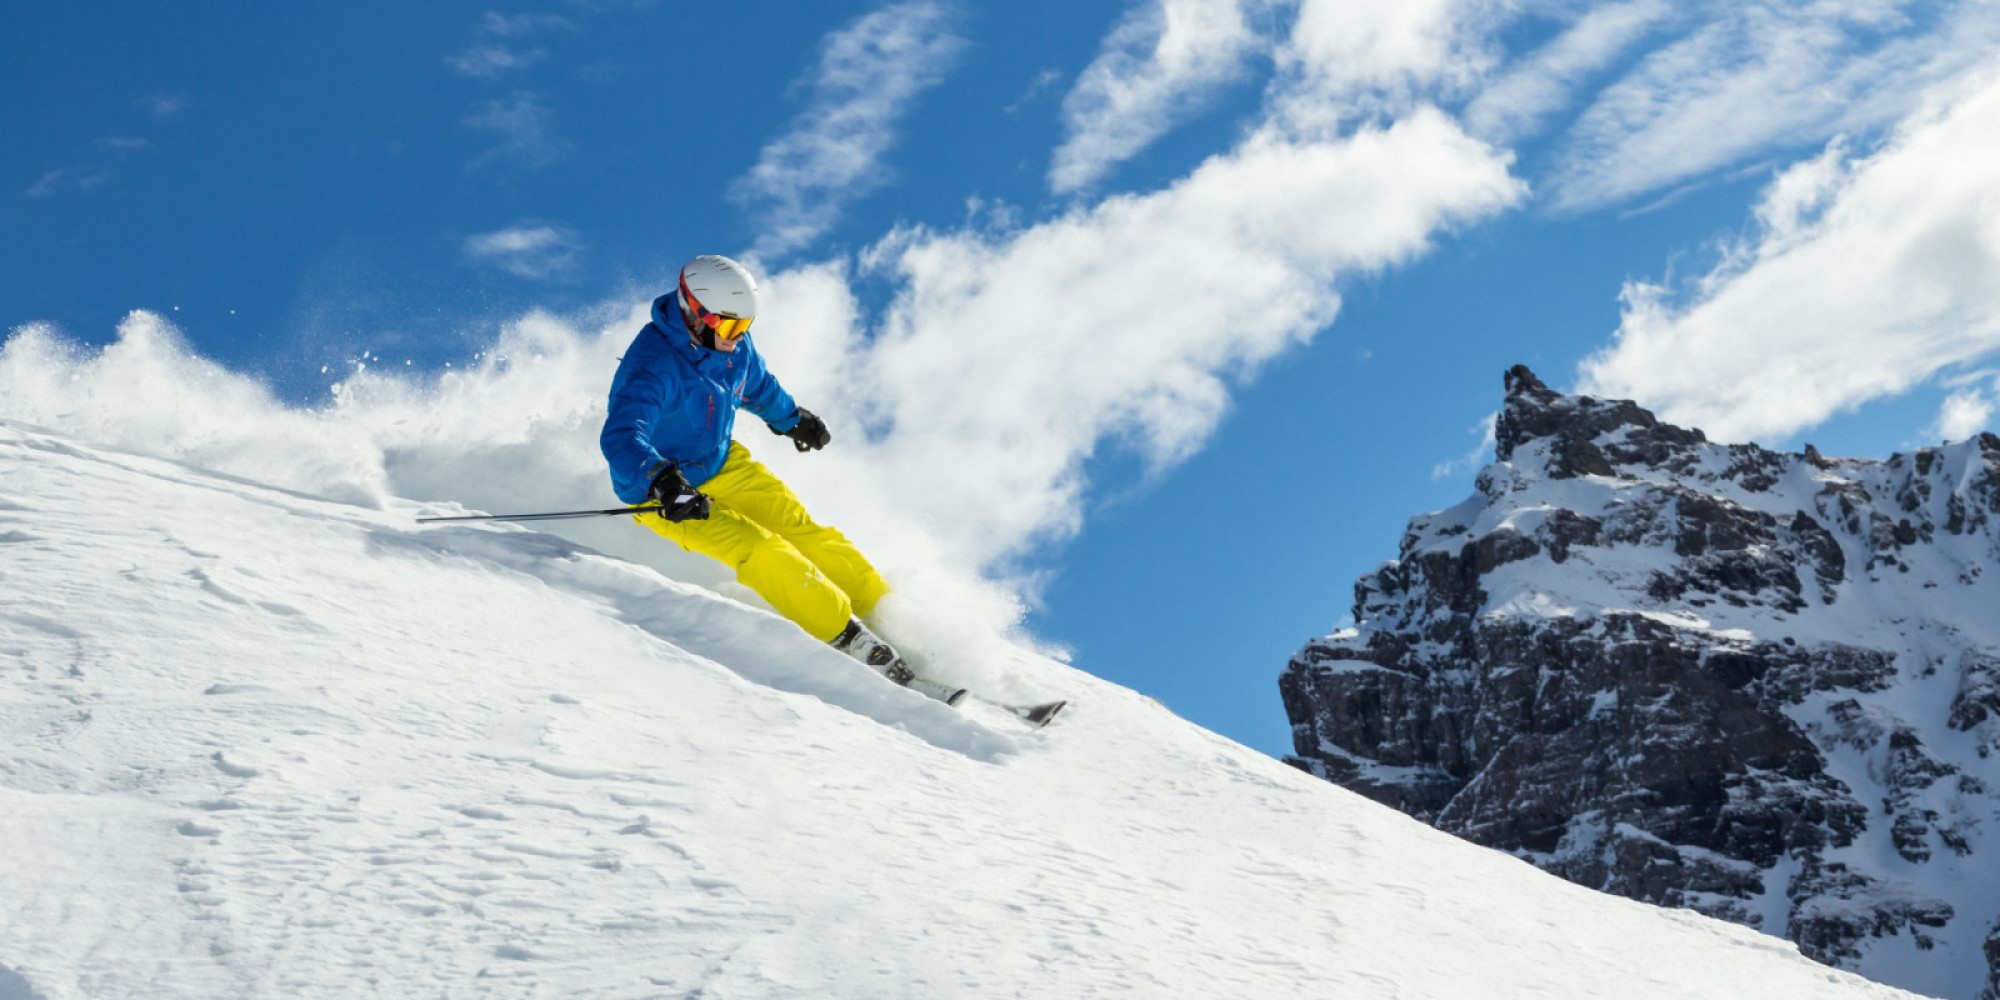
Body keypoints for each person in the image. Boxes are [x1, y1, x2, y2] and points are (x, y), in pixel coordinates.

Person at [600, 255, 915, 685]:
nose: (737, 338)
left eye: (744, 326)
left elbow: (757, 385)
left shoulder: (731, 347)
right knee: (762, 549)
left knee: (801, 529)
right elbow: (621, 435)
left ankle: (890, 613)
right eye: (729, 327)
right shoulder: (651, 365)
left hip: (721, 460)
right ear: (695, 313)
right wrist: (660, 480)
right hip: (663, 491)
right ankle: (849, 637)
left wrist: (791, 419)